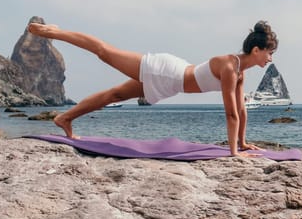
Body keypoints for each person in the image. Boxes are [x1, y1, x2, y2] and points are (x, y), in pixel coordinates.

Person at [27, 20, 278, 158]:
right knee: (105, 52)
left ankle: (65, 118)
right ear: (256, 50)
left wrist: (243, 143)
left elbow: (242, 111)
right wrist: (234, 154)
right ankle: (54, 32)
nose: (270, 59)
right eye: (269, 53)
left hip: (170, 85)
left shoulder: (240, 73)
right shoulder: (229, 67)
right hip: (165, 71)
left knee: (115, 95)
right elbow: (231, 114)